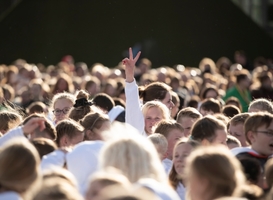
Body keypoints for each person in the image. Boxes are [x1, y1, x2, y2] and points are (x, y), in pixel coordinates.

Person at [123, 47, 174, 136]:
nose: (152, 122)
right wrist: (129, 74)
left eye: (157, 118)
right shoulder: (138, 131)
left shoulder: (173, 132)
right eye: (148, 118)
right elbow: (132, 103)